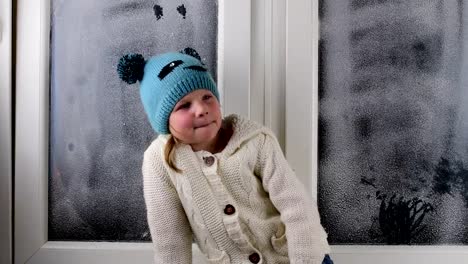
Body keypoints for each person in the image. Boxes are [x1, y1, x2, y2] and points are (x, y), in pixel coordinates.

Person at [117, 48, 333, 264]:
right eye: (184, 105)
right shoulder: (159, 162)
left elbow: (298, 208)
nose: (201, 109)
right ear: (163, 120)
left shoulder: (255, 141)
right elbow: (171, 242)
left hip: (296, 257)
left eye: (207, 97)